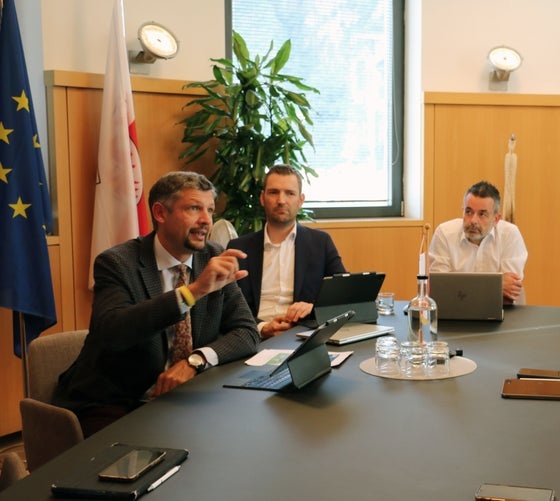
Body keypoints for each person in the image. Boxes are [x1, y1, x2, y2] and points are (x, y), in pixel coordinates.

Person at [53, 172, 260, 437]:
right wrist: (194, 291)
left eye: (209, 210)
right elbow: (113, 332)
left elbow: (247, 332)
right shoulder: (117, 263)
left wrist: (195, 361)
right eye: (194, 208)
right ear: (160, 213)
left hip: (184, 397)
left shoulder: (213, 255)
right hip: (115, 400)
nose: (206, 221)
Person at [228, 164, 346, 339]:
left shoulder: (320, 242)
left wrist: (313, 307)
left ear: (301, 200)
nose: (281, 200)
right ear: (262, 198)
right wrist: (262, 328)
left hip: (304, 337)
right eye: (273, 192)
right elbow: (228, 308)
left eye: (290, 193)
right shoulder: (239, 248)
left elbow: (343, 295)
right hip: (254, 338)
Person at [428, 180, 527, 303]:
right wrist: (495, 286)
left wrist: (460, 287)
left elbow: (509, 290)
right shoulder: (444, 233)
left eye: (482, 214)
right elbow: (440, 288)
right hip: (456, 308)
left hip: (502, 309)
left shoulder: (510, 234)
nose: (473, 221)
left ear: (496, 219)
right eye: (468, 212)